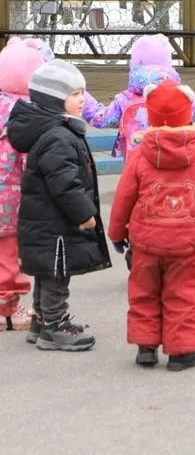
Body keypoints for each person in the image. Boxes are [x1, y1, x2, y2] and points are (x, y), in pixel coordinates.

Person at [108, 80, 195, 371]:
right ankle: (182, 352)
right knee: (184, 295)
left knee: (144, 293)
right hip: (186, 245)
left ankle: (146, 347)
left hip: (145, 243)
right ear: (188, 114)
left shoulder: (139, 155)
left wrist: (116, 234)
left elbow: (124, 197)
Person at [8, 60, 112, 351]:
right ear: (55, 100)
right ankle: (55, 326)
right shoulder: (59, 137)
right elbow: (64, 183)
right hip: (55, 225)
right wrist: (84, 213)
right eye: (75, 94)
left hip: (45, 223)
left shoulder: (55, 131)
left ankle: (41, 322)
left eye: (82, 93)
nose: (82, 99)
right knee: (57, 274)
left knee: (47, 272)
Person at [83, 33, 195, 160]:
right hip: (176, 164)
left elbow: (99, 118)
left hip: (137, 166)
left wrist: (79, 92)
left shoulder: (125, 99)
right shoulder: (179, 95)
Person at [0, 38, 49, 332]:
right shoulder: (27, 115)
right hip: (12, 199)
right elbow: (33, 158)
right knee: (8, 253)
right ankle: (7, 308)